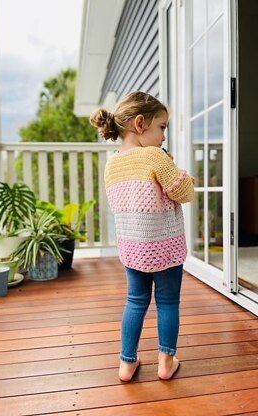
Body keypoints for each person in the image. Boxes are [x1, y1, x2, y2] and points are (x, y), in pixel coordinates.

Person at [90, 91, 195, 382]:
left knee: (135, 301)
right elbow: (183, 193)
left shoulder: (112, 164)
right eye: (162, 127)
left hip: (133, 248)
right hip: (165, 247)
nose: (164, 136)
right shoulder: (154, 156)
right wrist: (181, 172)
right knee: (168, 302)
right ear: (140, 124)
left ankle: (126, 364)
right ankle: (165, 363)